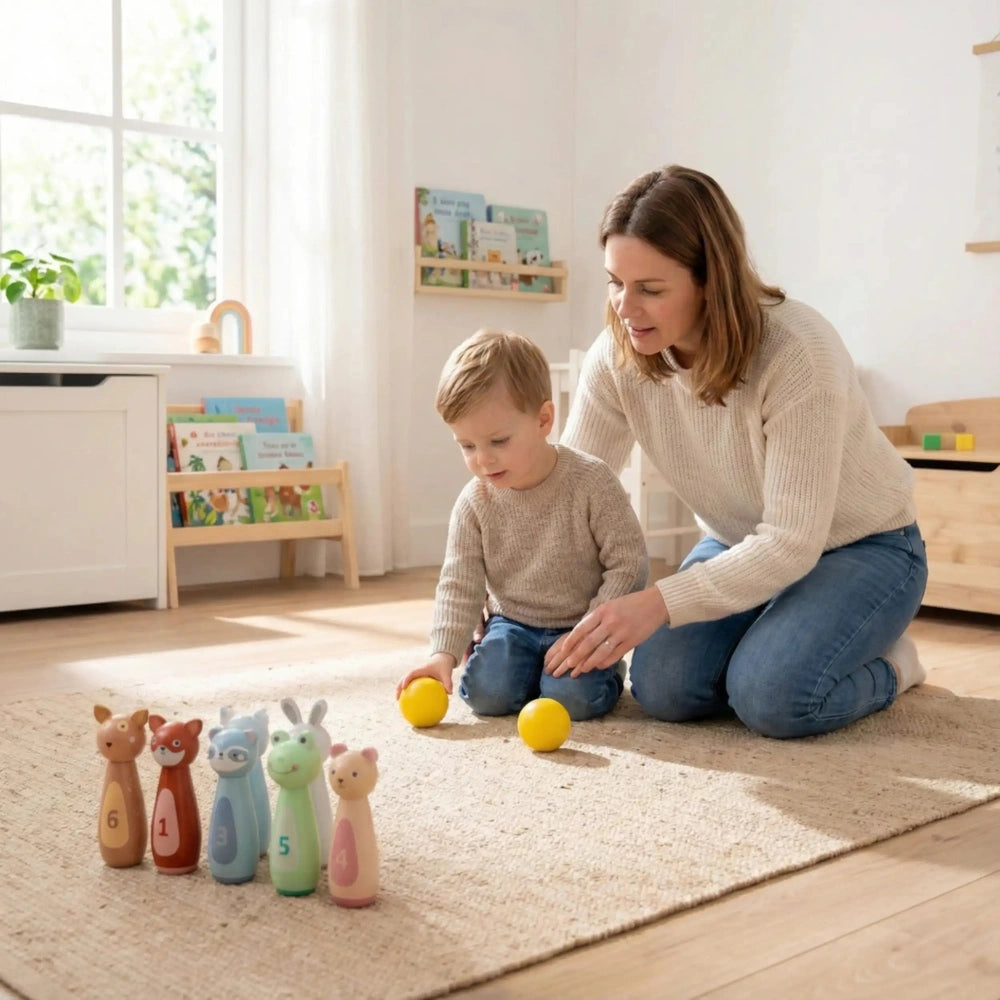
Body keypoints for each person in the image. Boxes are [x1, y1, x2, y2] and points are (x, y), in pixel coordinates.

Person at [544, 164, 928, 739]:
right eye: (615, 282)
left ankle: (895, 664)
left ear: (710, 279)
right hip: (737, 543)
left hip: (865, 547)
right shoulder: (618, 356)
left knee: (772, 697)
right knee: (664, 690)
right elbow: (570, 494)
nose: (625, 308)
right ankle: (788, 638)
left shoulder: (798, 353)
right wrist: (505, 594)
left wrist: (657, 602)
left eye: (650, 289)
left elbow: (793, 541)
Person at [395, 328, 648, 721]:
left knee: (573, 700)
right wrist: (442, 654)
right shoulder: (473, 502)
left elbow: (629, 564)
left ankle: (581, 676)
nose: (483, 460)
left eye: (498, 441)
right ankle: (529, 674)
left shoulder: (592, 482)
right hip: (511, 625)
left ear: (544, 419)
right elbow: (459, 582)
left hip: (579, 629)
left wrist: (593, 632)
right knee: (486, 696)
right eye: (467, 446)